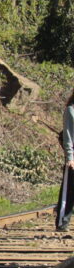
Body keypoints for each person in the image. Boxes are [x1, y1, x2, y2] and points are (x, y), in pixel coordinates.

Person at [58, 88, 74, 231]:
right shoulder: (71, 111)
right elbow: (68, 136)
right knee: (69, 191)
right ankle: (63, 220)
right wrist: (70, 156)